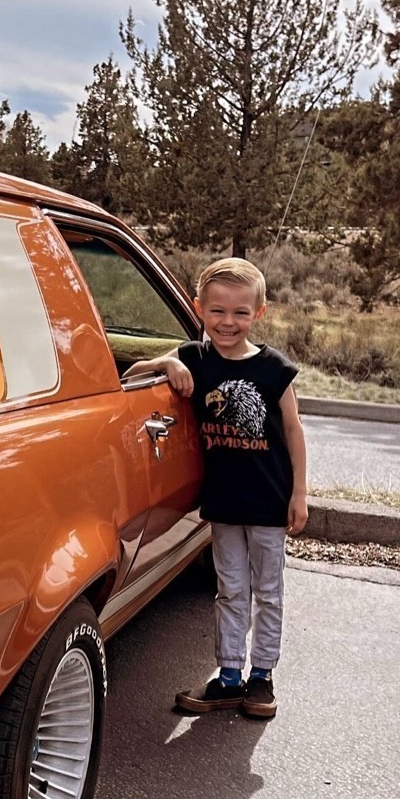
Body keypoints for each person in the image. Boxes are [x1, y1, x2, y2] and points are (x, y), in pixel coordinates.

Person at [125, 257, 307, 720]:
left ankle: (261, 676)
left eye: (241, 313)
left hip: (269, 503)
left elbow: (293, 430)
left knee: (268, 591)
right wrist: (167, 361)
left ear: (259, 313)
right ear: (199, 308)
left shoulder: (274, 369)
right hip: (224, 504)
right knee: (230, 590)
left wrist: (299, 493)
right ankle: (229, 675)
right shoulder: (195, 359)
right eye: (218, 311)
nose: (229, 322)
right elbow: (133, 376)